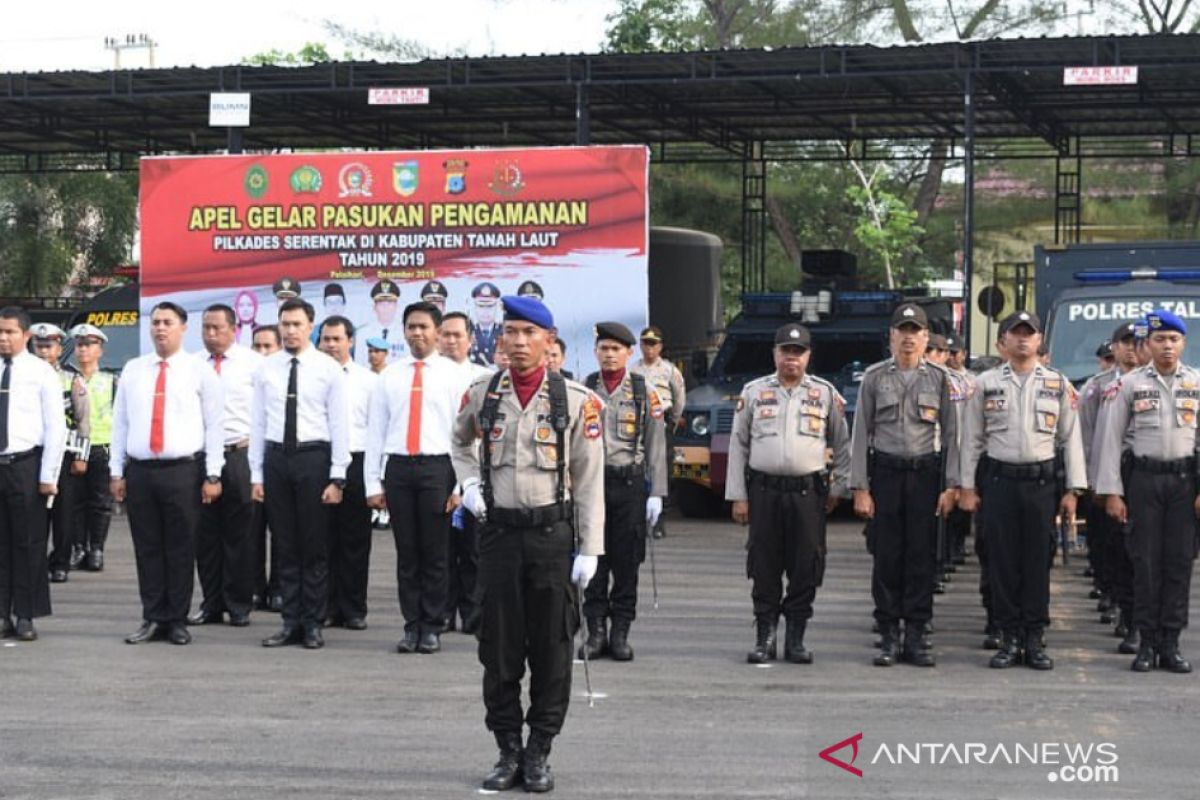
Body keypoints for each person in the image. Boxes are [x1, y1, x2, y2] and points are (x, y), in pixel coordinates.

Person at [452, 295, 604, 793]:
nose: (517, 343)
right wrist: (470, 485)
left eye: (528, 334)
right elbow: (459, 442)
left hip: (550, 539)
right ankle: (506, 749)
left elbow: (589, 479)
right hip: (498, 536)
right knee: (497, 649)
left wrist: (590, 549)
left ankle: (539, 749)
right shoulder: (481, 393)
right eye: (510, 332)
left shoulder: (576, 401)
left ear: (549, 341)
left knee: (552, 648)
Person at [959, 310, 1085, 670]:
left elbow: (1070, 439)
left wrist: (1073, 490)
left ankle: (1035, 637)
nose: (1023, 339)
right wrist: (966, 485)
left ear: (1040, 340)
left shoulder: (1057, 383)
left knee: (1037, 562)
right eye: (1015, 333)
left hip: (1041, 484)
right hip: (999, 482)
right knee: (1002, 562)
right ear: (1003, 343)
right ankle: (1008, 636)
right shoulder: (984, 384)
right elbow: (972, 439)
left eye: (1029, 333)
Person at [726, 322, 850, 664]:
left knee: (805, 564)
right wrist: (739, 495)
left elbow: (842, 444)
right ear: (775, 354)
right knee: (764, 563)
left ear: (808, 356)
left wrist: (839, 486)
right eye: (785, 352)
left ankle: (796, 636)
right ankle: (765, 635)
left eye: (798, 353)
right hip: (764, 491)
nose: (791, 359)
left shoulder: (825, 394)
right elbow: (738, 446)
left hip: (808, 493)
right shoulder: (753, 392)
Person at [851, 304, 960, 668]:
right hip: (885, 473)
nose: (909, 337)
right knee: (886, 554)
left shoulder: (940, 379)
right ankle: (887, 633)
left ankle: (916, 632)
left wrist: (951, 485)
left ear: (926, 338)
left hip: (924, 474)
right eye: (903, 330)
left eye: (916, 331)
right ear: (891, 336)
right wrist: (860, 487)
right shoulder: (874, 377)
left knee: (921, 555)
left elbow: (952, 436)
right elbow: (860, 434)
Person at [112, 302, 225, 646]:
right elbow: (121, 423)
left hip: (183, 470)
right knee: (147, 547)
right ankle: (152, 616)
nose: (160, 328)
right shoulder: (134, 369)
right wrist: (116, 471)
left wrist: (213, 474)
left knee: (180, 547)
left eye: (167, 322)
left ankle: (176, 618)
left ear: (183, 328)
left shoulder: (198, 370)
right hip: (142, 471)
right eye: (156, 322)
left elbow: (215, 425)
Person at [1095, 309, 1198, 673]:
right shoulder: (1129, 385)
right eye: (1159, 340)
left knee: (1178, 563)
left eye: (1173, 339)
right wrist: (1111, 492)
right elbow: (1110, 441)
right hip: (1143, 480)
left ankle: (1170, 643)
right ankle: (1146, 642)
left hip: (1184, 482)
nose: (1167, 346)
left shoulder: (1196, 382)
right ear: (1147, 345)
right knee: (1145, 562)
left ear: (1183, 343)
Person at [251, 298, 350, 650]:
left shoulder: (328, 368)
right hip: (277, 458)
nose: (290, 330)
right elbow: (258, 422)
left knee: (314, 546)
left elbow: (340, 425)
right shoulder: (266, 369)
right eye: (285, 324)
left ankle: (312, 622)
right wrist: (256, 475)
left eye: (297, 324)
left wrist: (337, 476)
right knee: (285, 544)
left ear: (311, 327)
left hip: (313, 457)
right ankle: (289, 621)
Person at [366, 302, 461, 653]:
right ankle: (411, 626)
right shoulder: (390, 375)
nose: (417, 333)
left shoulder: (453, 376)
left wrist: (460, 485)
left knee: (435, 552)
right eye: (411, 327)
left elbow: (464, 437)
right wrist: (373, 484)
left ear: (437, 332)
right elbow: (375, 431)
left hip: (438, 468)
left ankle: (433, 625)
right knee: (407, 554)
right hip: (400, 469)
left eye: (423, 326)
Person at [577, 322, 667, 662]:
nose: (610, 354)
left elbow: (656, 446)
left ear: (629, 353)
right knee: (593, 558)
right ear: (596, 352)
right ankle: (596, 630)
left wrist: (656, 493)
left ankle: (620, 632)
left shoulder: (645, 393)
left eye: (616, 349)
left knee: (627, 562)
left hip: (629, 485)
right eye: (604, 349)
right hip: (592, 485)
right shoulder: (584, 390)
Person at [190, 304, 261, 628]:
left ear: (233, 329)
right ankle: (211, 603)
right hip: (201, 457)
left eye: (217, 327)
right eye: (205, 327)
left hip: (239, 454)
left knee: (240, 535)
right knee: (205, 535)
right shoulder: (191, 366)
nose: (210, 334)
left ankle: (239, 604)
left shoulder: (253, 365)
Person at [0, 307, 66, 642]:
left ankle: (25, 614)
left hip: (27, 465)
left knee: (28, 543)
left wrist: (48, 474)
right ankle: (1, 613)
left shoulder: (41, 373)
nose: (3, 337)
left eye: (10, 332)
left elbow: (56, 427)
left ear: (25, 335)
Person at [1079, 321, 1140, 655]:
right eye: (1125, 342)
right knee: (1114, 549)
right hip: (1110, 477)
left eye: (1136, 342)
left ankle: (1146, 623)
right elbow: (1088, 436)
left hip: (1147, 477)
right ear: (1114, 348)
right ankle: (1126, 613)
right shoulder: (1097, 387)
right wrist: (1089, 481)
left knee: (1147, 556)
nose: (1132, 348)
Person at [319, 315, 376, 631]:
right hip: (321, 461)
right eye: (325, 339)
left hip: (357, 462)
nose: (330, 345)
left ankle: (354, 608)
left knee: (355, 540)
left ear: (350, 341)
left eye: (336, 339)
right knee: (324, 540)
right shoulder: (312, 376)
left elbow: (376, 429)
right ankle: (327, 606)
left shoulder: (368, 381)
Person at [437, 311, 492, 633]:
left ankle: (473, 612)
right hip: (438, 469)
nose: (451, 340)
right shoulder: (427, 374)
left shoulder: (484, 378)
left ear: (471, 339)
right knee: (442, 549)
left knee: (473, 549)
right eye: (445, 334)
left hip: (474, 472)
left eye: (458, 334)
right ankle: (443, 611)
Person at [30, 323, 90, 583]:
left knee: (64, 511)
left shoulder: (71, 378)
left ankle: (60, 562)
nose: (44, 351)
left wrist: (82, 456)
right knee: (34, 512)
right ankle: (35, 561)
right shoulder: (24, 375)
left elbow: (83, 420)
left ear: (58, 348)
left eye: (49, 346)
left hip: (65, 452)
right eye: (39, 346)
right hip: (33, 451)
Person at [69, 323, 116, 572]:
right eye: (79, 345)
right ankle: (78, 546)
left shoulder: (111, 380)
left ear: (100, 349)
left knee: (100, 501)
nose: (83, 349)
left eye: (89, 345)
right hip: (74, 447)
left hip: (102, 447)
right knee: (75, 501)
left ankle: (96, 548)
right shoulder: (68, 378)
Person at [632, 325, 687, 539]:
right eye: (646, 343)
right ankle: (641, 518)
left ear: (660, 347)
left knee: (661, 471)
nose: (649, 348)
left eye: (653, 344)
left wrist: (672, 420)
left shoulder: (670, 370)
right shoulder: (633, 370)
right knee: (639, 469)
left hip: (662, 424)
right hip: (638, 426)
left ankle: (659, 520)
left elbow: (679, 397)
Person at [249, 324, 282, 609]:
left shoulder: (287, 377)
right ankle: (255, 587)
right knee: (252, 528)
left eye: (267, 346)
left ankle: (280, 588)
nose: (261, 353)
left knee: (282, 529)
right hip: (251, 459)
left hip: (282, 458)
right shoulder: (247, 377)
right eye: (256, 346)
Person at [355, 279, 407, 366]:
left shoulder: (405, 333)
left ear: (396, 306)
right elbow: (359, 366)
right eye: (381, 303)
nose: (385, 307)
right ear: (374, 307)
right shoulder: (362, 333)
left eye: (390, 302)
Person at [468, 282, 502, 367]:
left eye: (490, 306)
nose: (485, 311)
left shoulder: (504, 331)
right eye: (481, 306)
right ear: (475, 307)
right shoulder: (468, 332)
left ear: (496, 307)